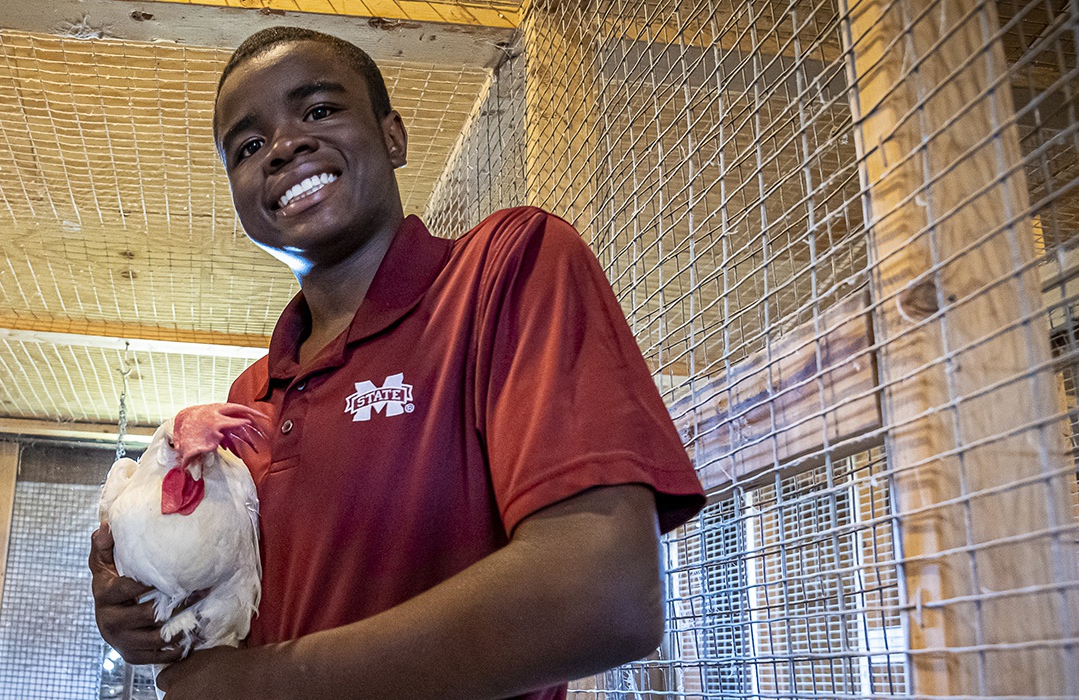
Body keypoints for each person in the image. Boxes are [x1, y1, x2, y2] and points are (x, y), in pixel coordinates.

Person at [90, 27, 706, 700]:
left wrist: (264, 686)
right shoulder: (250, 399)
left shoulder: (506, 269)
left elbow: (604, 593)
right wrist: (153, 615)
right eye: (249, 146)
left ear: (394, 136)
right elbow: (241, 625)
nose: (285, 146)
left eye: (320, 110)